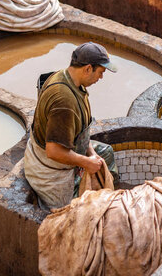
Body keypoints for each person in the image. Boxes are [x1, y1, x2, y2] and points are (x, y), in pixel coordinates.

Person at [24, 42, 119, 209]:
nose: (101, 78)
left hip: (66, 150)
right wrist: (86, 163)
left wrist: (90, 153)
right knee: (73, 212)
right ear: (88, 68)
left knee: (106, 154)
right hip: (50, 169)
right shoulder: (64, 102)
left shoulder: (69, 78)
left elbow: (81, 130)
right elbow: (53, 151)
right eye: (101, 72)